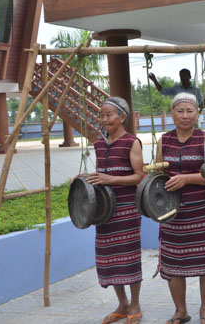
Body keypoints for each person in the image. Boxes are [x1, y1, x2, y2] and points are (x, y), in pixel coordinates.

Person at [155, 92, 205, 324]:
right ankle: (181, 311)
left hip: (201, 210)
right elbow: (158, 173)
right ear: (172, 114)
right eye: (180, 111)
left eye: (190, 111)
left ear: (197, 114)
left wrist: (186, 178)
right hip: (171, 211)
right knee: (173, 263)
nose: (185, 116)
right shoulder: (163, 140)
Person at [86, 96, 144, 324]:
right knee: (109, 257)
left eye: (109, 114)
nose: (104, 119)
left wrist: (111, 179)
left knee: (128, 257)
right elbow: (100, 173)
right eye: (102, 114)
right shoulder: (98, 143)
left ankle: (136, 303)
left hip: (127, 208)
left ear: (122, 117)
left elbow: (140, 176)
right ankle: (122, 304)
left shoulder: (132, 142)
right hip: (104, 210)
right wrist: (83, 180)